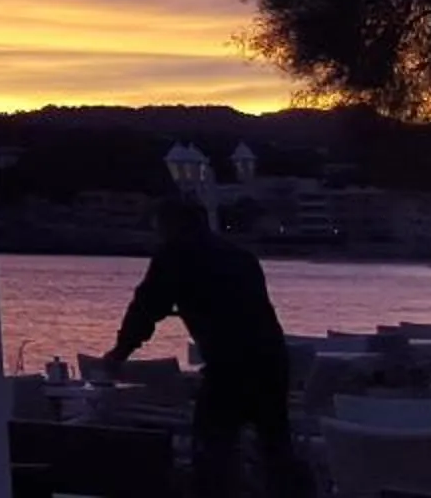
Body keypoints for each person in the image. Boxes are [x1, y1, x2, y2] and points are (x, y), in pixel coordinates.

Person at [102, 195, 304, 498]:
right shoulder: (241, 257)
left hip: (230, 367)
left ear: (170, 224)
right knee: (275, 446)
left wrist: (119, 354)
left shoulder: (175, 255)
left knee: (212, 450)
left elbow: (145, 309)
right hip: (272, 362)